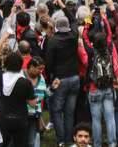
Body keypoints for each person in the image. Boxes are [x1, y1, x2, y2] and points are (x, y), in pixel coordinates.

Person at [46, 15, 81, 146]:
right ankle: (69, 139)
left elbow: (49, 62)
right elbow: (74, 22)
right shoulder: (73, 36)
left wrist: (50, 76)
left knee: (56, 110)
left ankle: (61, 140)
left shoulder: (53, 41)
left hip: (60, 79)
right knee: (69, 112)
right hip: (74, 77)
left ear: (56, 27)